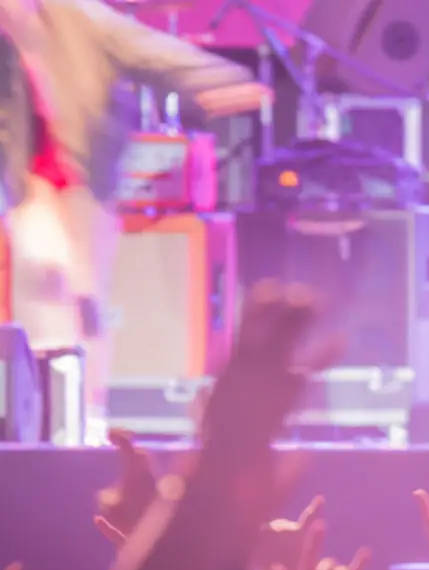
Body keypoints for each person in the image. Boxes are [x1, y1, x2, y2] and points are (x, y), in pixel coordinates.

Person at [0, 0, 268, 438]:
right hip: (28, 182)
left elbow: (147, 50)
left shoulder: (77, 17)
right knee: (46, 289)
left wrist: (219, 81)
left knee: (87, 300)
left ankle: (86, 415)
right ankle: (45, 417)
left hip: (86, 178)